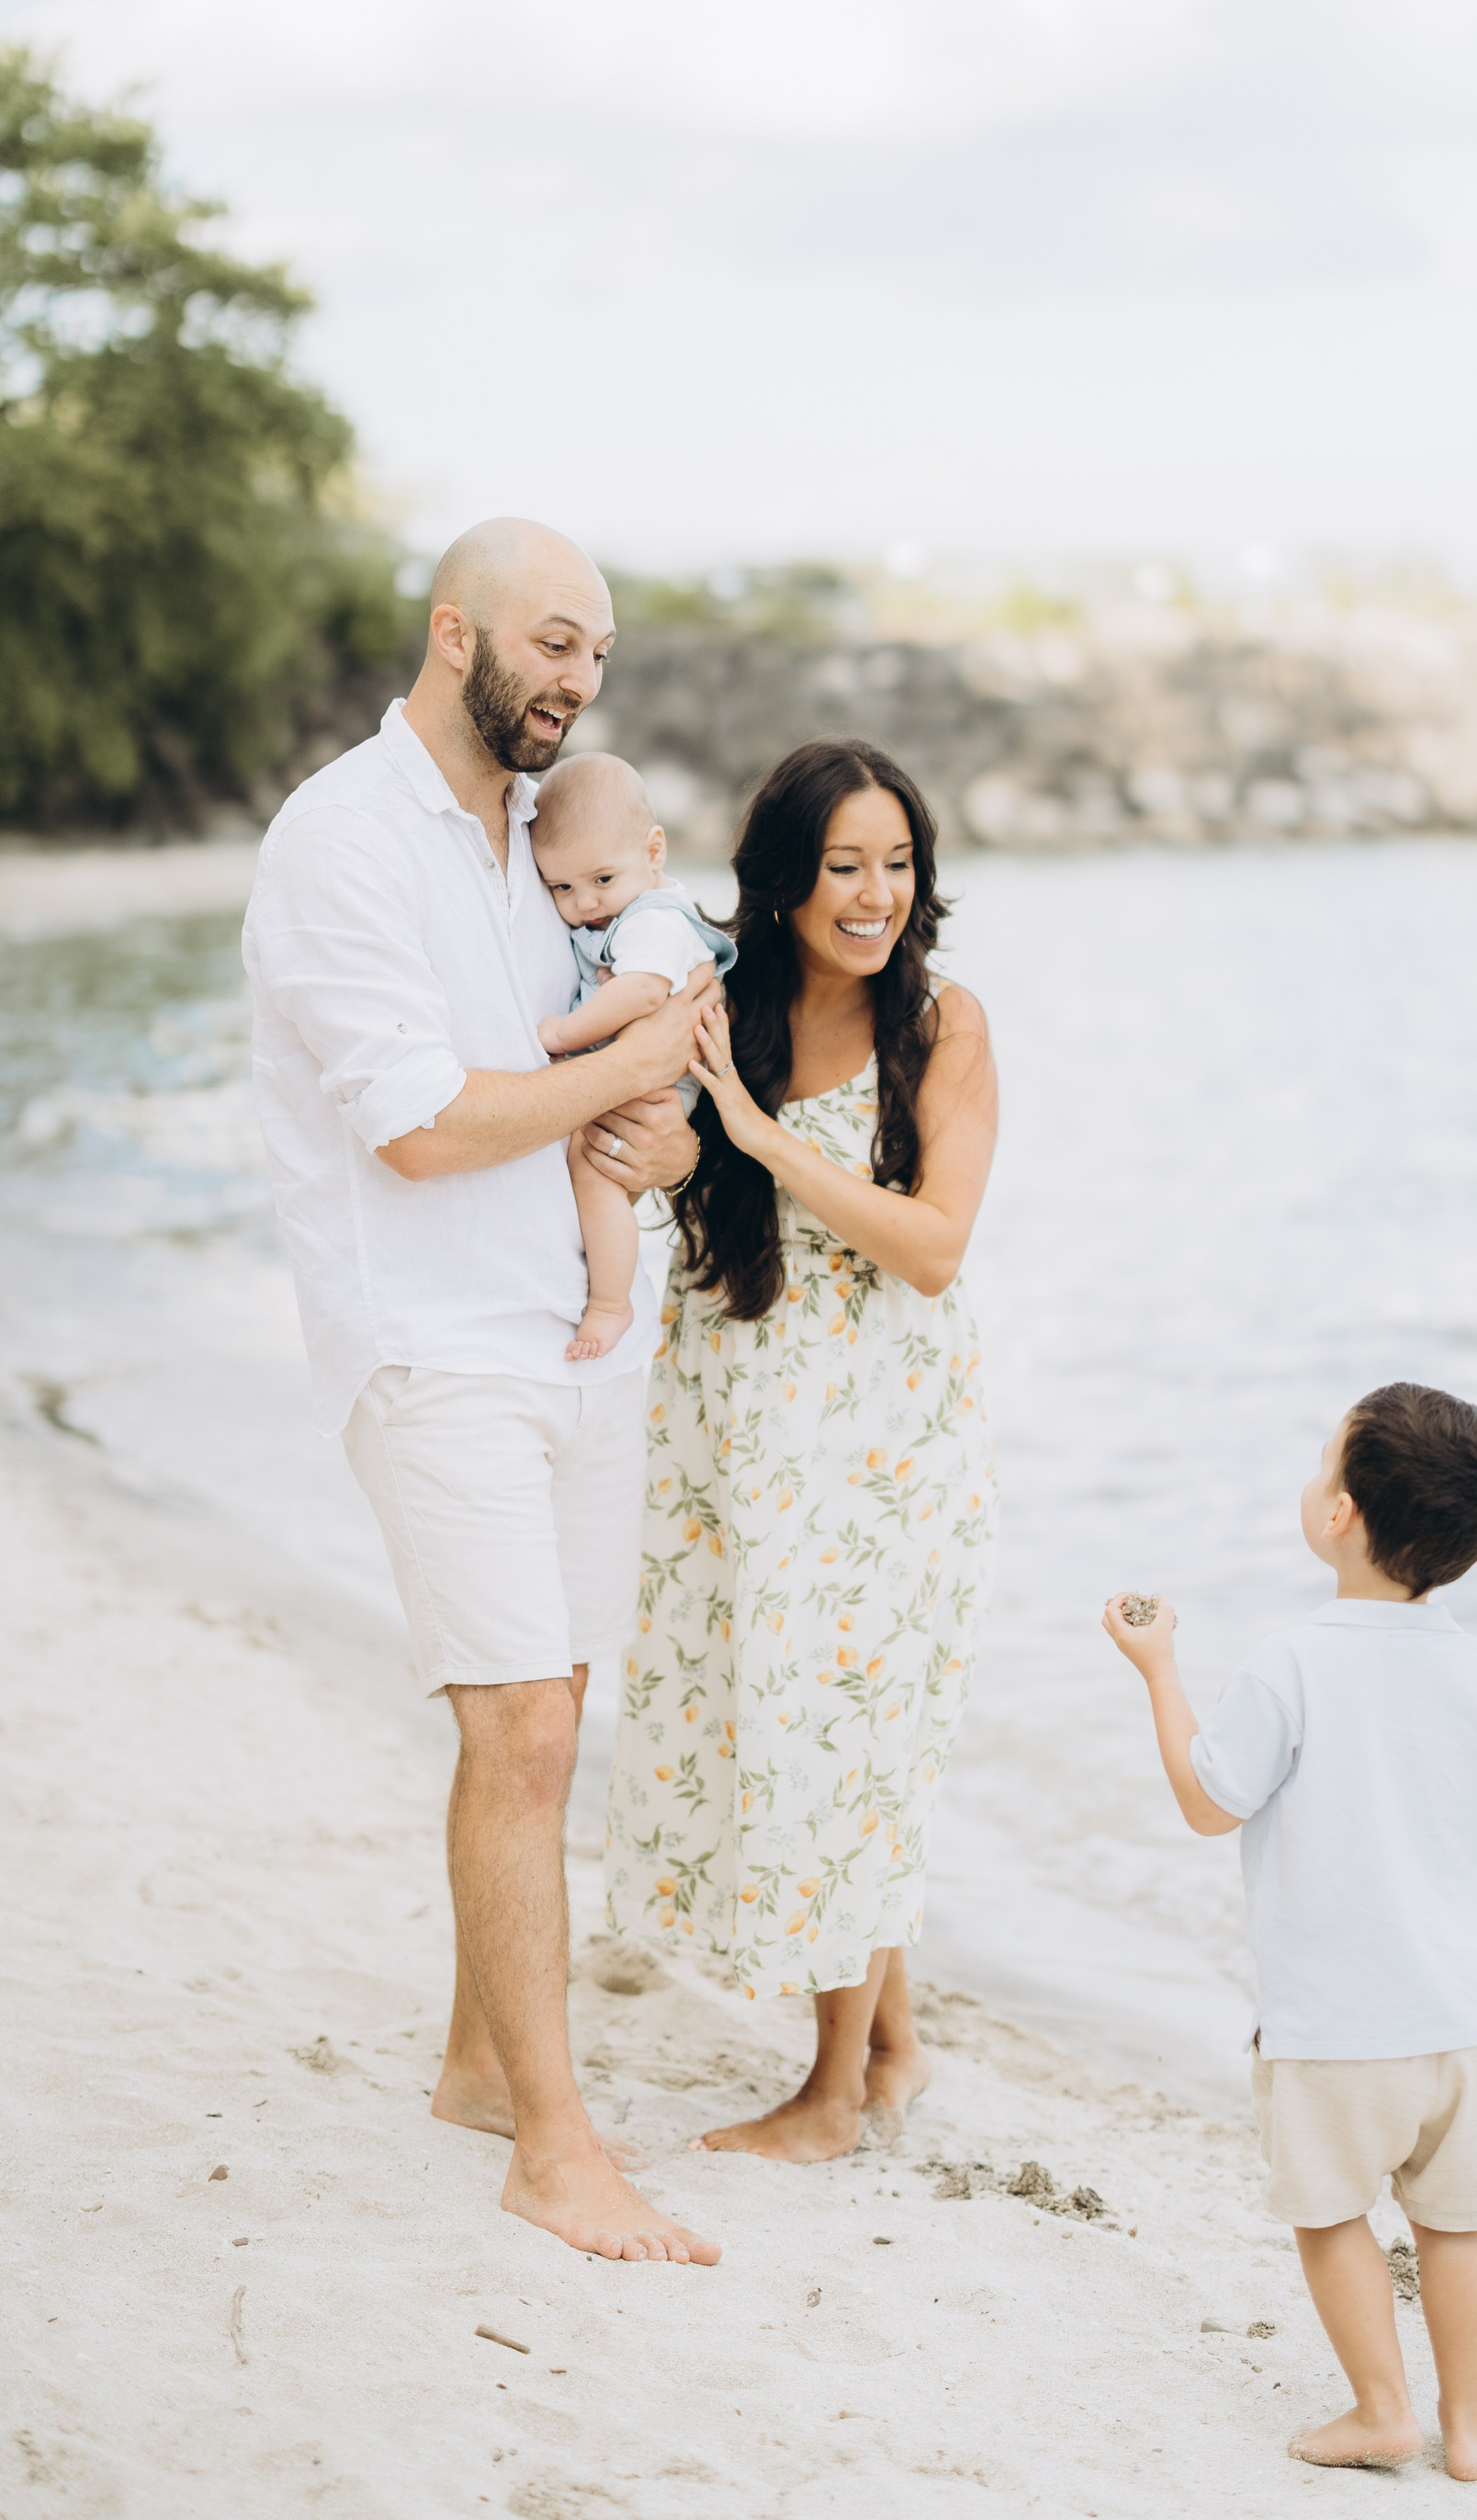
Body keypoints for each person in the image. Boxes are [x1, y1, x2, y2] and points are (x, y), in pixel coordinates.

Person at [243, 515, 722, 2268]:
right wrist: (628, 1061)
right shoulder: (339, 840)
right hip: (426, 1338)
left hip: (576, 1331)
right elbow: (427, 1126)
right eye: (547, 640)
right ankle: (551, 2142)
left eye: (593, 650)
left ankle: (470, 2061)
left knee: (556, 1712)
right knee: (515, 1727)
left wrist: (662, 1121)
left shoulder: (546, 840)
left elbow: (607, 1099)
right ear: (455, 632)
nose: (574, 676)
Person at [601, 738, 998, 2160]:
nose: (873, 893)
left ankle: (832, 2098)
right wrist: (676, 1141)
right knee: (791, 1724)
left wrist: (762, 1138)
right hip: (734, 1426)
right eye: (845, 866)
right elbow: (651, 1143)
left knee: (853, 1747)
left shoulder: (945, 1028)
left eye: (897, 865)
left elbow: (935, 1248)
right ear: (783, 880)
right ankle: (889, 2056)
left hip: (883, 1452)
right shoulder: (725, 1005)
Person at [1102, 1382, 1477, 2482]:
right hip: (1470, 2026)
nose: (1312, 1487)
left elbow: (1212, 1802)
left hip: (1337, 2027)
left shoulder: (1291, 1661)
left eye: (1321, 1469)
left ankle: (1384, 2408)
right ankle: (1476, 2430)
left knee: (1332, 2213)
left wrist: (1160, 1672)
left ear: (1341, 1514)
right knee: (1460, 2227)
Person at [529, 753, 737, 1363]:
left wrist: (565, 1033)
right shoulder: (622, 907)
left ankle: (612, 1303)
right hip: (637, 1068)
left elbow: (643, 990)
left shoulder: (654, 920)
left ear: (653, 853)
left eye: (600, 880)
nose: (585, 904)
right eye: (561, 888)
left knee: (595, 1176)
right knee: (591, 1172)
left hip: (662, 1081)